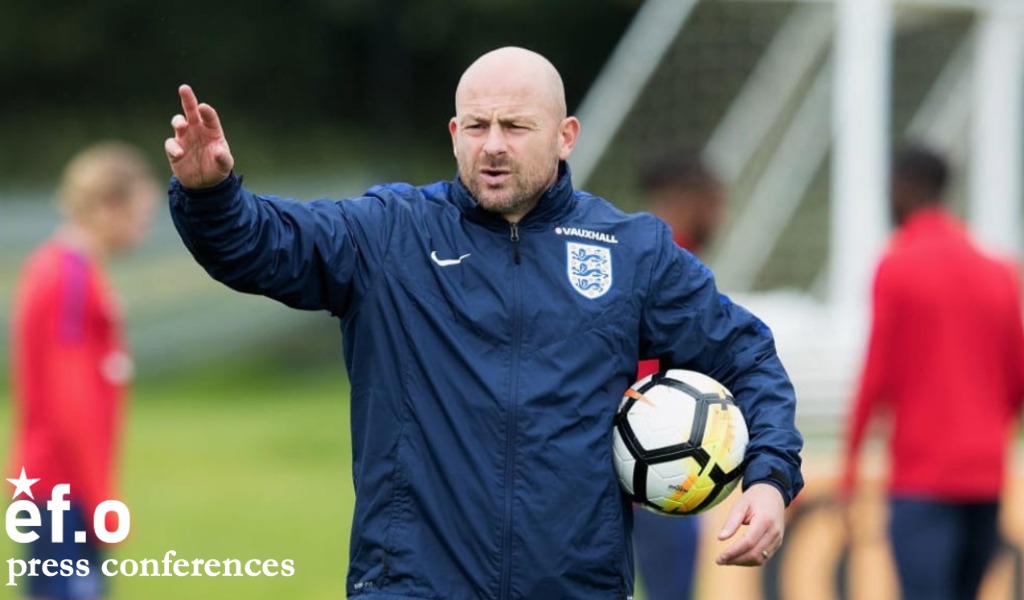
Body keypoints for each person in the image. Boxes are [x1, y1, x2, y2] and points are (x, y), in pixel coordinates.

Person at [165, 47, 803, 599]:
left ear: (566, 135)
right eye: (477, 125)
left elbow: (746, 355)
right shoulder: (390, 234)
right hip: (411, 585)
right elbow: (263, 245)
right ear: (454, 133)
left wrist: (770, 478)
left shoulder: (631, 251)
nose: (493, 144)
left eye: (516, 125)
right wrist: (210, 197)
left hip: (576, 587)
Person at [840, 144, 1024, 600]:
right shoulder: (1000, 271)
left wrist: (851, 465)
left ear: (903, 188)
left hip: (921, 479)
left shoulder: (897, 266)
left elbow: (877, 375)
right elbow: (1017, 380)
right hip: (985, 478)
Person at [10, 141, 158, 599]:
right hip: (62, 488)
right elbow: (69, 398)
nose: (144, 229)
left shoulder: (69, 270)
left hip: (59, 487)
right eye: (140, 215)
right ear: (108, 206)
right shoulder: (68, 278)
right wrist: (101, 499)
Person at [633, 154, 725, 600]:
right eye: (715, 204)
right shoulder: (673, 262)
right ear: (689, 200)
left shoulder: (642, 253)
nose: (720, 217)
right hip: (660, 459)